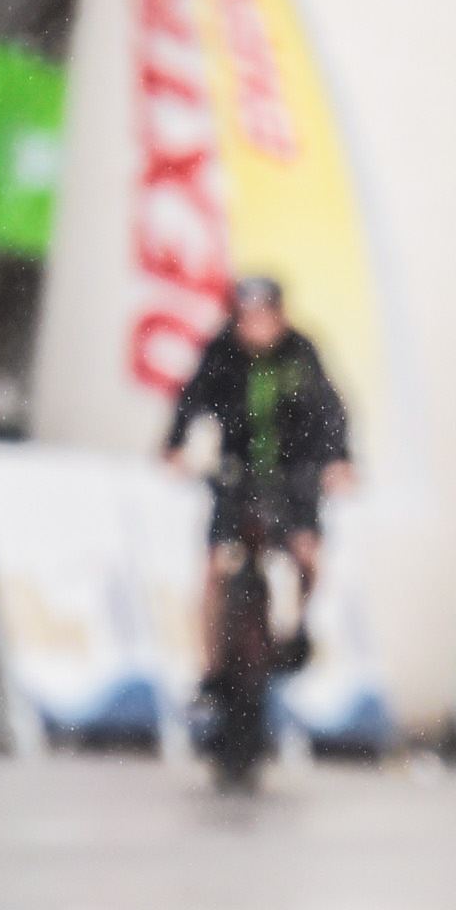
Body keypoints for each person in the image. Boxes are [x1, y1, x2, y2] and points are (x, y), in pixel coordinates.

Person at [160, 276, 353, 682]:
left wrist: (338, 460)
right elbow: (192, 398)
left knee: (306, 553)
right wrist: (176, 444)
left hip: (293, 475)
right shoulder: (221, 352)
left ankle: (296, 627)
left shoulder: (301, 353)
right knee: (216, 565)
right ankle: (210, 666)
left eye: (264, 317)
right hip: (238, 471)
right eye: (247, 318)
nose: (255, 327)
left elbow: (331, 411)